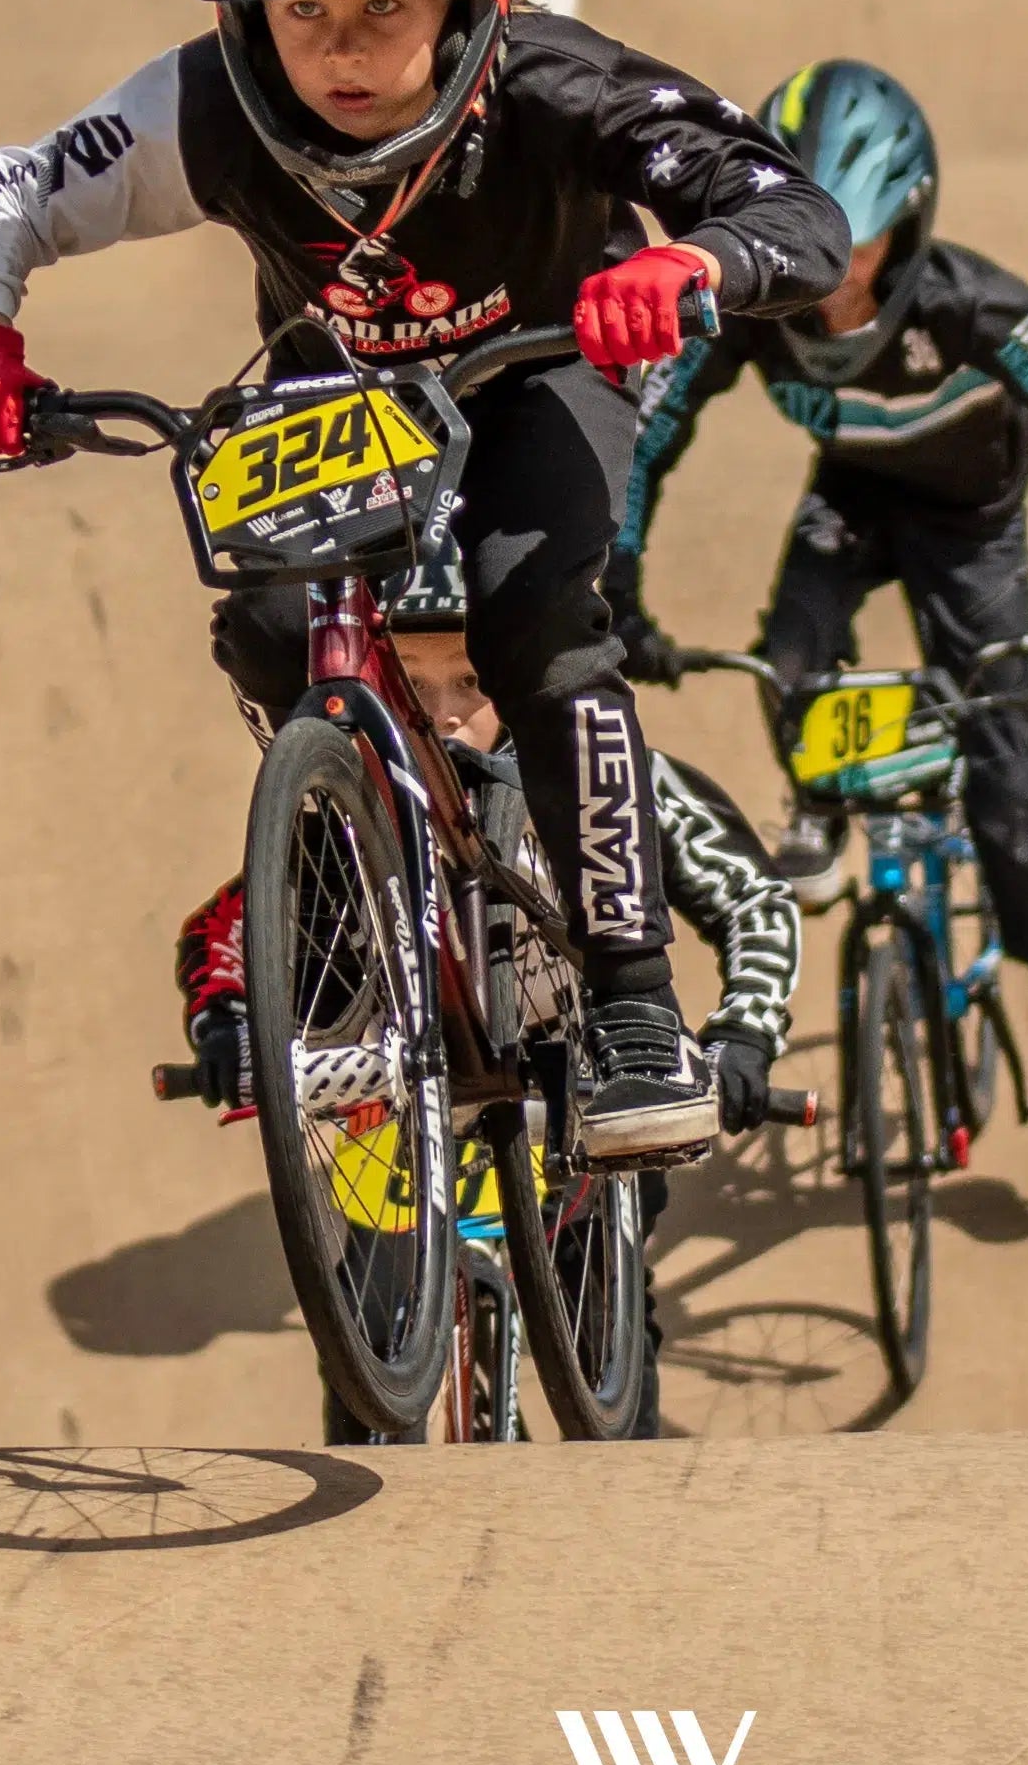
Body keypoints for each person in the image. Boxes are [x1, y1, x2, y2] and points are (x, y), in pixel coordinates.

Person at [0, 0, 846, 1164]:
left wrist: (697, 264)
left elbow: (790, 203)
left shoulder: (559, 87)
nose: (341, 51)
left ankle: (635, 1005)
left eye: (383, 8)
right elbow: (11, 189)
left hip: (543, 365)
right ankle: (352, 890)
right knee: (273, 620)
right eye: (301, 14)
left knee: (530, 605)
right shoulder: (206, 111)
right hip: (336, 388)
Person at [602, 60, 1028, 1142]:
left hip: (972, 525)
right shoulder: (752, 310)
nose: (828, 286)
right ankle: (819, 810)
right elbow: (645, 435)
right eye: (809, 252)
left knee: (1007, 781)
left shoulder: (972, 306)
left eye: (850, 258)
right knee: (787, 661)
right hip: (850, 498)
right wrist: (618, 585)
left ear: (905, 229)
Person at [176, 544, 805, 1442]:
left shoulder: (614, 784)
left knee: (609, 1351)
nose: (447, 718)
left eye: (473, 682)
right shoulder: (356, 810)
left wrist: (743, 1035)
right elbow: (232, 925)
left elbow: (754, 897)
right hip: (401, 1128)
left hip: (581, 1114)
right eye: (415, 687)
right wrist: (229, 1025)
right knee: (366, 1342)